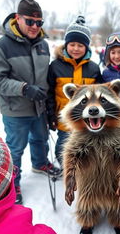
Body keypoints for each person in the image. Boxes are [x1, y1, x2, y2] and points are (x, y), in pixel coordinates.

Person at [0, 0, 61, 205]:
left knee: (40, 138)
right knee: (15, 149)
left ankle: (40, 163)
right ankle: (13, 183)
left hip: (38, 108)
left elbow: (45, 77)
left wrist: (48, 102)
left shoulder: (43, 45)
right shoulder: (1, 46)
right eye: (30, 21)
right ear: (18, 18)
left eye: (39, 23)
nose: (34, 26)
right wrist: (23, 88)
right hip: (15, 110)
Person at [0, 129, 56, 234]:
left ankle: (39, 164)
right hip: (16, 116)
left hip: (36, 114)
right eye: (12, 171)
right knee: (16, 148)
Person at [47, 15, 103, 169]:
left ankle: (82, 168)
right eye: (72, 44)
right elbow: (50, 93)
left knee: (85, 145)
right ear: (66, 45)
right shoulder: (55, 66)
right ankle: (66, 167)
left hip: (86, 120)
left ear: (86, 47)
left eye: (80, 45)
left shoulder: (93, 68)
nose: (76, 49)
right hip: (64, 118)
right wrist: (51, 114)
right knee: (63, 145)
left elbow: (99, 95)